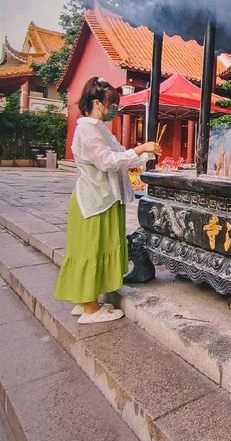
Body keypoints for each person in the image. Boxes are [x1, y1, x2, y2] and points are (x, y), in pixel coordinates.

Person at [54, 77, 161, 323]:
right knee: (91, 249)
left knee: (97, 248)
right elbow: (107, 161)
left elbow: (119, 156)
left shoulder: (99, 127)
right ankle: (90, 309)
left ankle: (86, 301)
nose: (114, 108)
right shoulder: (87, 128)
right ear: (96, 103)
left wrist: (144, 155)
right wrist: (139, 149)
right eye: (111, 103)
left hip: (105, 197)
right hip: (94, 200)